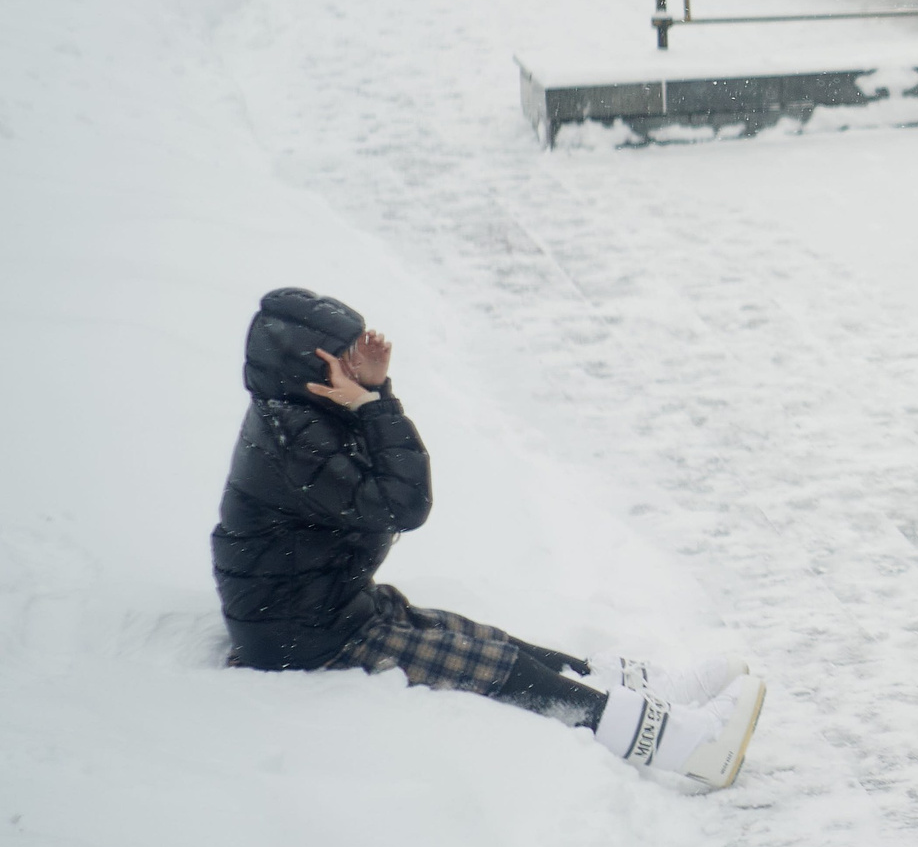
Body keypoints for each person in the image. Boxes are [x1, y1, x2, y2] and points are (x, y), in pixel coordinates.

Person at [214, 288, 765, 788]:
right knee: (497, 671)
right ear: (312, 368)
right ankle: (687, 746)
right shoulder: (293, 438)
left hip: (322, 607)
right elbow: (404, 503)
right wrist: (372, 403)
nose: (360, 362)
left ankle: (641, 696)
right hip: (302, 634)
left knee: (491, 643)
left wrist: (374, 395)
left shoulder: (303, 413)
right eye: (346, 355)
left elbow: (390, 475)